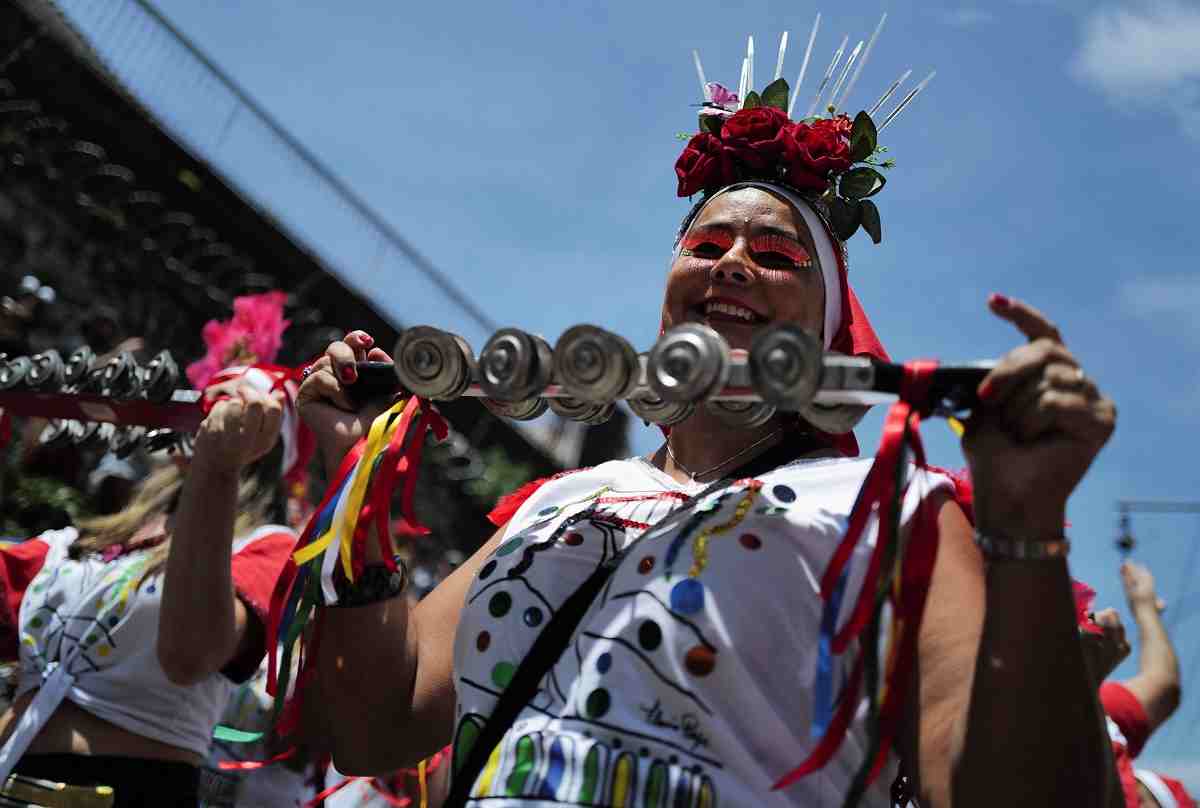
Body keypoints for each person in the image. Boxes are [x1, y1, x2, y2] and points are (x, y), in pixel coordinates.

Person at [290, 65, 1119, 807]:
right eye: (707, 245)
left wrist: (1024, 527)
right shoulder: (568, 497)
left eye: (774, 254)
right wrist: (353, 464)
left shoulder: (890, 507)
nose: (730, 264)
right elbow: (379, 725)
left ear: (828, 327)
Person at [0, 292, 305, 806]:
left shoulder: (269, 548)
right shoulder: (88, 541)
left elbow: (189, 655)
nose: (206, 417)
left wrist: (217, 470)